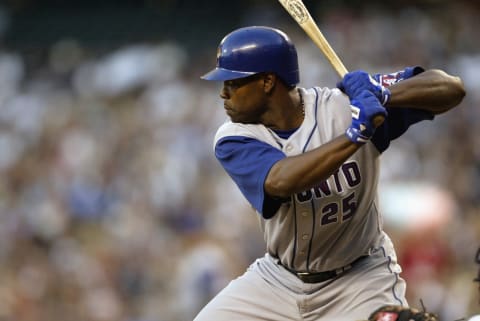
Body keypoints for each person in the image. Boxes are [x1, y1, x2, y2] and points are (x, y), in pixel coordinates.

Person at [196, 25, 465, 321]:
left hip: (360, 278)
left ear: (268, 81)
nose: (223, 93)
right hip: (279, 280)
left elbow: (451, 88)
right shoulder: (233, 136)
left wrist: (385, 94)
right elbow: (281, 180)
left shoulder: (340, 107)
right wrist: (355, 135)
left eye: (232, 83)